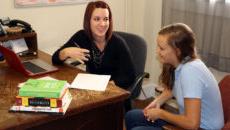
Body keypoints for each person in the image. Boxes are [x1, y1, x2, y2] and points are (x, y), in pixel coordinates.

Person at [125, 23, 224, 130]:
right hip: (190, 123)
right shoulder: (180, 63)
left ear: (178, 51)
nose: (157, 51)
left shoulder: (190, 71)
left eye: (162, 48)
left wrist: (161, 114)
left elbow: (192, 124)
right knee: (132, 116)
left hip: (201, 128)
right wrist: (158, 101)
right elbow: (173, 88)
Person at [52, 1, 135, 90]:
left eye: (106, 19)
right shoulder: (81, 37)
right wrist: (65, 52)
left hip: (115, 94)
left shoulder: (118, 43)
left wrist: (108, 85)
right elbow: (55, 59)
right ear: (88, 21)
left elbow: (130, 76)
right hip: (92, 89)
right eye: (97, 19)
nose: (102, 24)